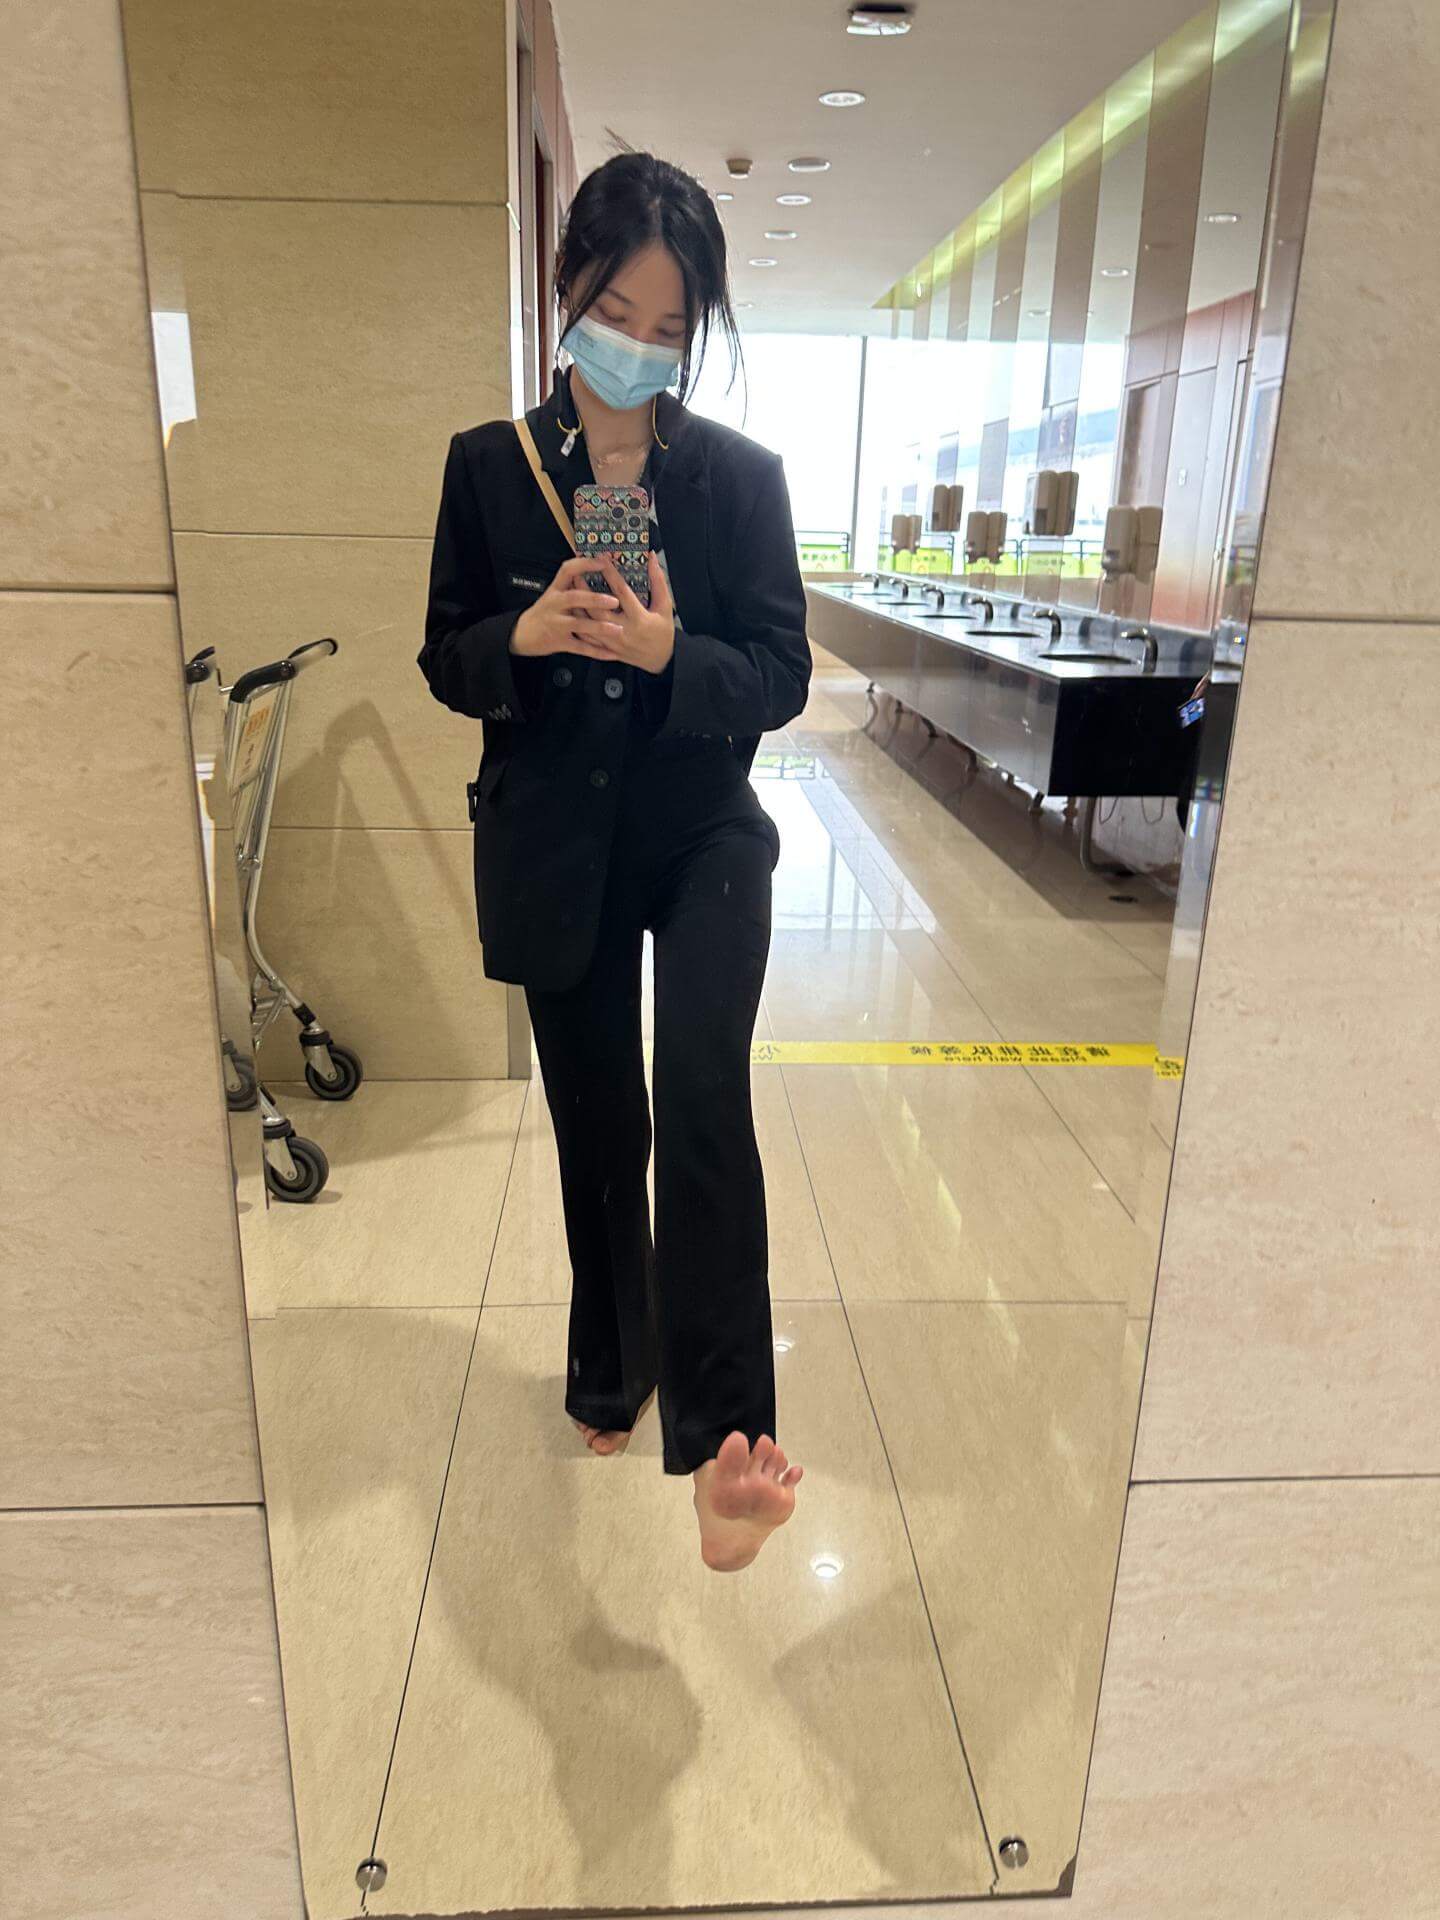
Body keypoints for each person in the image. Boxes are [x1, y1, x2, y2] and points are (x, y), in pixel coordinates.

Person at [418, 151, 812, 1571]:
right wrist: (522, 639)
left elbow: (781, 676)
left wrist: (670, 652)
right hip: (557, 838)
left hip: (704, 830)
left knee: (701, 1091)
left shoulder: (739, 480)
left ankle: (724, 1443)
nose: (637, 348)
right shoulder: (489, 465)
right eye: (615, 313)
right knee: (598, 1124)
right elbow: (445, 656)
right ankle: (612, 1361)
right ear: (566, 292)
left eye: (669, 326)